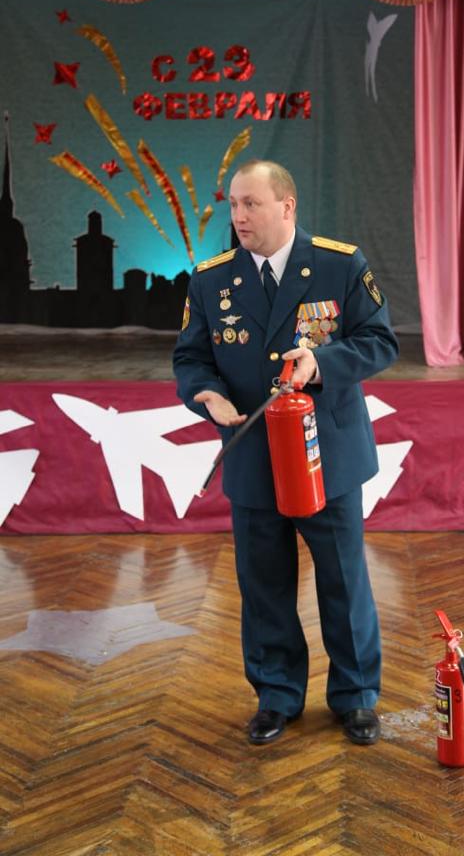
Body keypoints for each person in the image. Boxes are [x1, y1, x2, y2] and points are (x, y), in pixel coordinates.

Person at [173, 159, 398, 746]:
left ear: (287, 206)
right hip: (253, 454)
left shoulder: (339, 264)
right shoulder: (211, 279)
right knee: (263, 584)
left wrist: (320, 363)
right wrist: (206, 395)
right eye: (233, 205)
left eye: (251, 204)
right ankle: (276, 696)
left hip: (327, 455)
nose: (239, 216)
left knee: (343, 582)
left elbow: (379, 341)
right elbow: (191, 358)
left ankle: (355, 697)